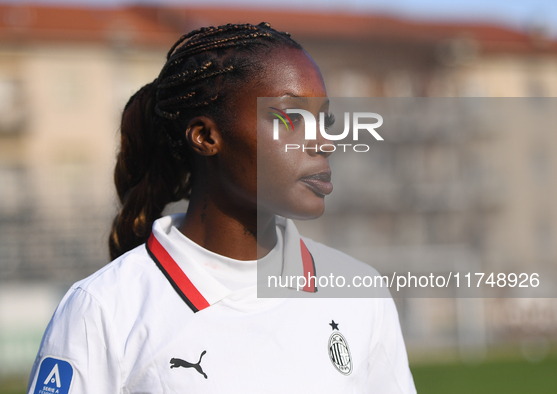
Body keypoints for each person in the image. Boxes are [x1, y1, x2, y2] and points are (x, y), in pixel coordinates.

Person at [27, 22, 416, 393]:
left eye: (323, 119)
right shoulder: (101, 310)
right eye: (289, 118)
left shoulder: (361, 293)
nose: (324, 143)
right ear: (205, 136)